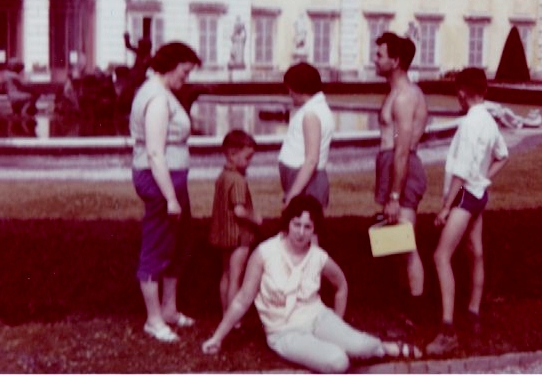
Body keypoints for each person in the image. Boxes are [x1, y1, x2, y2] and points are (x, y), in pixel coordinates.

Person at [202, 195, 421, 373]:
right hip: (284, 332)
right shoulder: (265, 253)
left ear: (314, 229)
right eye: (296, 224)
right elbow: (242, 299)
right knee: (338, 362)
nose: (300, 232)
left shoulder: (318, 256)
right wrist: (217, 337)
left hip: (317, 318)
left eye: (307, 227)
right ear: (288, 223)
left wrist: (337, 321)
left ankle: (384, 348)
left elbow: (341, 285)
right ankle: (338, 348)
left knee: (361, 346)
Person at [425, 68, 509, 356]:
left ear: (462, 93)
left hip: (464, 196)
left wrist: (445, 209)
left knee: (441, 256)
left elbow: (460, 173)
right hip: (477, 195)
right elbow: (503, 155)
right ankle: (473, 314)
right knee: (476, 253)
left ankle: (448, 331)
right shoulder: (489, 120)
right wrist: (483, 179)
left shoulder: (470, 124)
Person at [129, 41, 202, 343]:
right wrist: (170, 198)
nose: (186, 78)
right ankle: (154, 319)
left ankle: (169, 310)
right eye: (184, 72)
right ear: (171, 67)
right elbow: (155, 153)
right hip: (160, 181)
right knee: (157, 245)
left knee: (179, 243)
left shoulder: (162, 92)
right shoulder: (157, 99)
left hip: (171, 181)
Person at [373, 32, 429, 332]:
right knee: (394, 241)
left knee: (406, 244)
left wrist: (395, 196)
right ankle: (402, 308)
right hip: (392, 166)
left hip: (402, 170)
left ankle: (416, 314)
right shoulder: (396, 93)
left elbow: (403, 149)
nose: (375, 60)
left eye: (380, 55)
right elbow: (395, 141)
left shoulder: (406, 96)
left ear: (395, 61)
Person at [209, 129, 262, 317]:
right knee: (236, 278)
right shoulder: (238, 180)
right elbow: (239, 210)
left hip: (225, 234)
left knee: (226, 274)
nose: (250, 162)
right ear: (232, 155)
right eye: (247, 158)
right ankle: (234, 317)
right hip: (239, 236)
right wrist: (255, 218)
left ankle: (225, 312)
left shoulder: (222, 177)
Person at [277, 62, 334, 210]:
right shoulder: (316, 109)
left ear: (299, 89)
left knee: (304, 220)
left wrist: (292, 195)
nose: (289, 94)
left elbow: (311, 160)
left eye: (290, 89)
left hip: (307, 182)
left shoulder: (311, 115)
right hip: (303, 180)